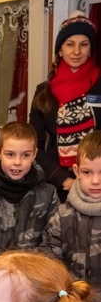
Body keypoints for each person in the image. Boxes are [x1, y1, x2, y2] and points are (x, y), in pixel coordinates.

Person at [0, 121, 59, 294]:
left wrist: (29, 275)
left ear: (35, 154)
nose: (17, 162)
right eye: (10, 154)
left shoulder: (48, 192)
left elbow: (54, 240)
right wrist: (2, 276)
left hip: (33, 286)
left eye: (25, 155)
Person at [30, 12, 101, 202]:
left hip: (98, 183)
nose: (76, 51)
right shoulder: (43, 91)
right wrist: (65, 180)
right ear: (60, 50)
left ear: (91, 49)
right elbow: (34, 145)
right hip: (58, 187)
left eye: (84, 44)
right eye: (70, 44)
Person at [42, 130, 101, 302]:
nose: (95, 180)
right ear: (76, 171)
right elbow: (49, 267)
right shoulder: (62, 216)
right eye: (87, 172)